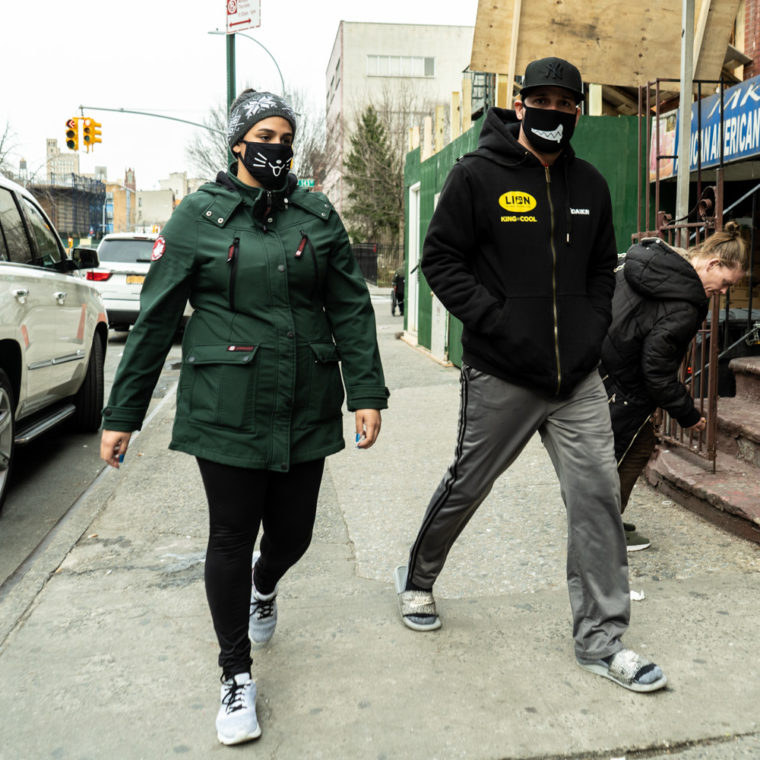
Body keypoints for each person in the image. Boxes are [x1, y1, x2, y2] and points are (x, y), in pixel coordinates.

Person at [99, 90, 389, 746]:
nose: (277, 147)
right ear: (238, 143)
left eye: (286, 136)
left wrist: (366, 391)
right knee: (230, 533)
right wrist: (124, 415)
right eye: (265, 134)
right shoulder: (198, 217)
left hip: (306, 400)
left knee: (293, 535)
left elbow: (349, 306)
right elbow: (155, 322)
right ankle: (235, 674)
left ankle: (266, 583)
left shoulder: (317, 214)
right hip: (225, 403)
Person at [394, 56, 667, 693]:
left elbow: (605, 270)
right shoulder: (475, 176)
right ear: (520, 106)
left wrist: (591, 329)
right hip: (502, 374)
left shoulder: (591, 187)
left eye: (565, 103)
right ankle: (419, 579)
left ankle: (602, 638)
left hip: (576, 382)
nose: (553, 112)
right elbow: (440, 260)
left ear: (578, 111)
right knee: (468, 483)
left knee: (597, 497)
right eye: (540, 100)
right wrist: (495, 321)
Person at [601, 224, 748, 550]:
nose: (723, 293)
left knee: (611, 453)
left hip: (601, 367)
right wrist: (688, 415)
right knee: (632, 450)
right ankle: (603, 532)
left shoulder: (651, 260)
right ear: (712, 264)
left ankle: (601, 522)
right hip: (626, 385)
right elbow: (657, 372)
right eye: (725, 284)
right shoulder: (686, 303)